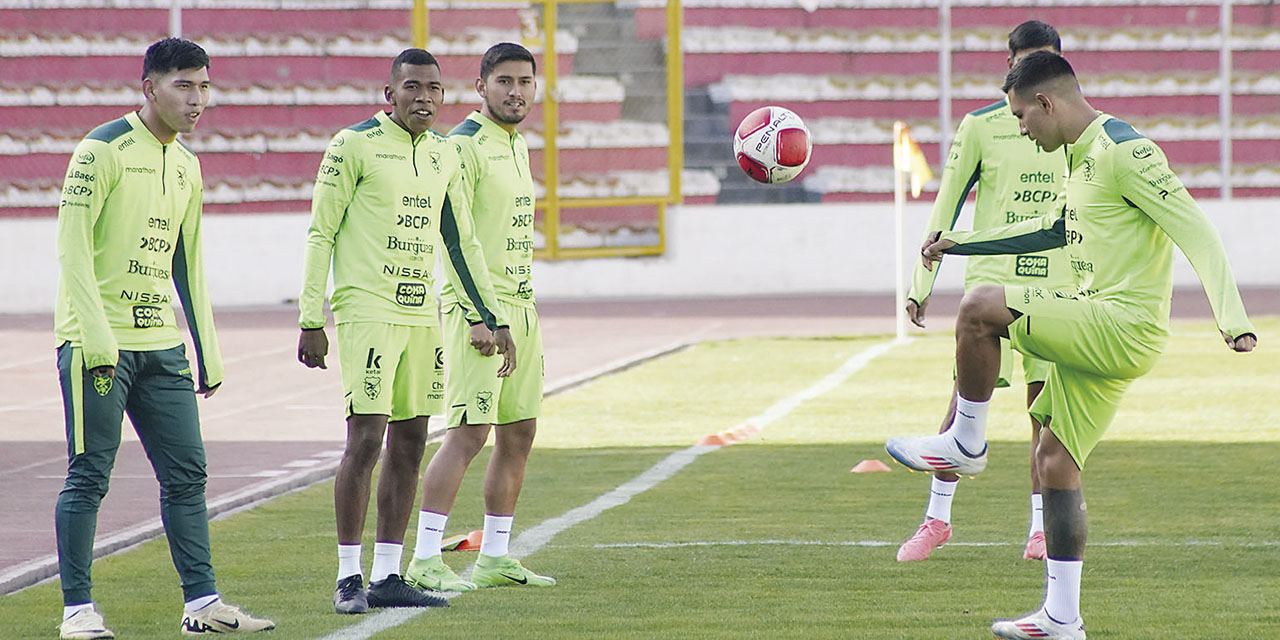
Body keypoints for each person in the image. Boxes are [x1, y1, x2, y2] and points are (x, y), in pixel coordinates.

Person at [886, 51, 1257, 640]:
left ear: (1046, 102)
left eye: (1023, 118)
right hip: (1097, 320)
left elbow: (1198, 229)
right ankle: (1063, 617)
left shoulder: (1127, 152)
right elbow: (1052, 231)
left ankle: (967, 441)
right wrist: (961, 242)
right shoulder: (1080, 160)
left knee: (980, 307)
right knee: (1054, 461)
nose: (1024, 133)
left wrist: (1232, 320)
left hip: (1121, 323)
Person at [53, 38, 274, 638]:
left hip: (160, 346)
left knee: (187, 476)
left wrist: (207, 347)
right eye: (184, 85)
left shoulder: (187, 165)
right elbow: (71, 249)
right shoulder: (101, 151)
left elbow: (188, 262)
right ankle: (77, 611)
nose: (197, 99)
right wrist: (96, 337)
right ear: (149, 88)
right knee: (89, 474)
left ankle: (201, 607)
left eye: (204, 86)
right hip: (97, 346)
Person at [297, 48, 516, 614]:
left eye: (434, 89)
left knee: (412, 442)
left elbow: (461, 242)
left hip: (421, 314)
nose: (425, 97)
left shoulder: (445, 154)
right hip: (367, 309)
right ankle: (349, 575)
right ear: (388, 93)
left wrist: (487, 316)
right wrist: (311, 317)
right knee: (366, 438)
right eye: (413, 87)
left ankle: (389, 574)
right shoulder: (353, 146)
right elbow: (321, 233)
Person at [893, 20, 1070, 563]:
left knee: (1047, 411)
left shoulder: (1080, 128)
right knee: (964, 402)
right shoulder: (982, 126)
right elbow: (946, 204)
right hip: (989, 281)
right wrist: (921, 283)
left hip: (1055, 278)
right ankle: (936, 519)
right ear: (1009, 62)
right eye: (1025, 62)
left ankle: (1040, 529)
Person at [404, 42, 553, 592]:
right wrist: (477, 314)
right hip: (479, 311)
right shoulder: (460, 147)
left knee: (520, 433)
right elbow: (453, 239)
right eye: (505, 81)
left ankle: (494, 557)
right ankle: (424, 558)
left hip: (522, 306)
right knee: (467, 433)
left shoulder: (515, 146)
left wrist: (514, 314)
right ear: (481, 87)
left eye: (525, 82)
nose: (516, 92)